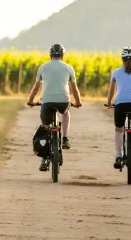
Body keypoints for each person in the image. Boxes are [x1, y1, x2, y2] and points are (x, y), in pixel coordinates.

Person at [26, 43, 82, 171]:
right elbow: (74, 89)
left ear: (50, 55)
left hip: (46, 101)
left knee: (46, 129)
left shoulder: (43, 67)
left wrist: (30, 101)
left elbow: (36, 87)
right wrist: (78, 102)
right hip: (63, 100)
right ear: (62, 55)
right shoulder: (68, 68)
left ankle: (45, 158)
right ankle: (65, 138)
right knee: (65, 112)